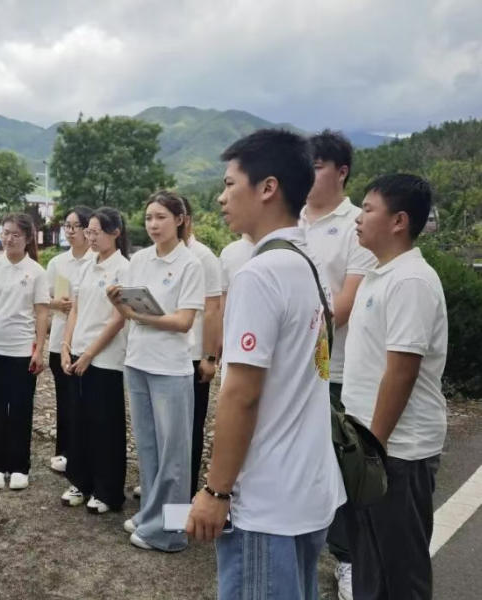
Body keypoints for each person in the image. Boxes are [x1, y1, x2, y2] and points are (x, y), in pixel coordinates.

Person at [187, 129, 346, 600]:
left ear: (268, 187)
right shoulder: (307, 260)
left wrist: (215, 493)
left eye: (230, 183)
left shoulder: (259, 273)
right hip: (309, 487)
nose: (220, 197)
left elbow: (242, 393)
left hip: (266, 501)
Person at [341, 174, 447, 600]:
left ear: (399, 220)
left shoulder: (412, 281)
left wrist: (374, 449)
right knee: (370, 563)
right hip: (374, 445)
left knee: (402, 572)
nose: (358, 218)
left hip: (398, 451)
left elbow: (401, 372)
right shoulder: (379, 275)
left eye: (368, 209)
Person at [301, 129, 377, 600]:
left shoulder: (357, 226)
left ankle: (347, 559)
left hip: (336, 369)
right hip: (288, 370)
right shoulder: (290, 221)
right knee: (299, 462)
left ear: (341, 171)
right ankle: (305, 548)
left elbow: (344, 305)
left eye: (316, 167)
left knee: (339, 463)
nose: (308, 176)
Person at [108, 190, 204, 552]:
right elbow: (130, 307)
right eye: (149, 217)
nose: (153, 224)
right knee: (148, 446)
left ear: (179, 219)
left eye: (161, 217)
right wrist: (118, 301)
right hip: (138, 361)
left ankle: (172, 532)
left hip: (170, 367)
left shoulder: (190, 264)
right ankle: (151, 515)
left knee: (174, 453)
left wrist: (138, 316)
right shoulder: (140, 259)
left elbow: (183, 321)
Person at [0, 213, 50, 491]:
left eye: (15, 234)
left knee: (20, 409)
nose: (9, 238)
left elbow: (42, 313)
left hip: (20, 350)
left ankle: (19, 466)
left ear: (28, 239)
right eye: (5, 232)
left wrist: (39, 350)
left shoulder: (37, 272)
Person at [59, 207, 130, 514]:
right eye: (88, 232)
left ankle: (107, 489)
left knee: (105, 424)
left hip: (105, 358)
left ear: (115, 233)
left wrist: (89, 353)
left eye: (96, 232)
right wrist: (66, 345)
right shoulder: (87, 266)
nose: (91, 237)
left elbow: (118, 319)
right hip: (77, 352)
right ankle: (80, 480)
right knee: (78, 420)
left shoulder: (123, 269)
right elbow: (75, 308)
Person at [45, 206, 96, 473]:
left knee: (84, 401)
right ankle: (63, 452)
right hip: (59, 341)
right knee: (64, 399)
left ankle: (84, 452)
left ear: (89, 230)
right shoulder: (58, 263)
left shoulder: (95, 261)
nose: (70, 231)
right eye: (67, 226)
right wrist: (57, 303)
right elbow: (45, 299)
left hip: (86, 342)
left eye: (75, 226)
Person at [179, 196, 223, 499]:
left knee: (190, 428)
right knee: (166, 427)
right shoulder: (161, 255)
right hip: (166, 355)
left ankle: (183, 491)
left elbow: (212, 310)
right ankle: (163, 483)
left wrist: (209, 356)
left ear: (184, 219)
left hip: (193, 355)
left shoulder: (203, 256)